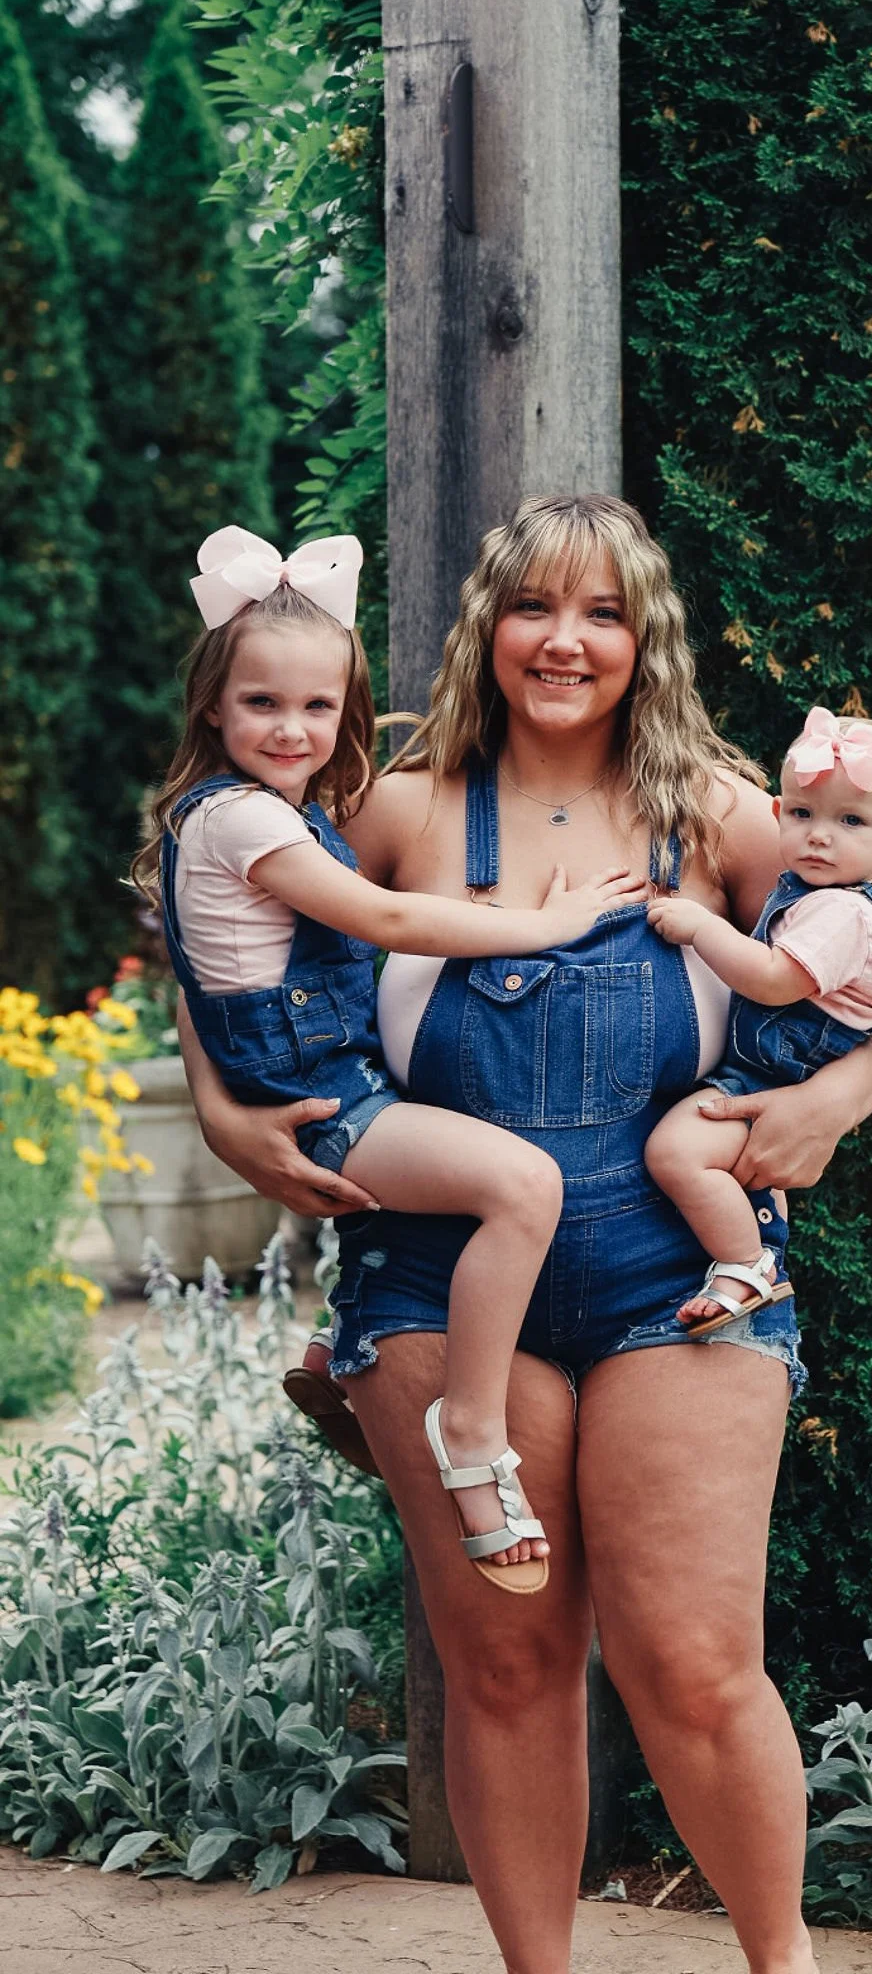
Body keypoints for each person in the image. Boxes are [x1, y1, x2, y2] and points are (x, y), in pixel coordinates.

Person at [178, 495, 872, 1974]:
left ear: (644, 640)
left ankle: (783, 1968)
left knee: (695, 1667)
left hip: (681, 1274)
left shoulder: (723, 810)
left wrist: (845, 1092)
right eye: (533, 608)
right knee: (506, 1667)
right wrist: (215, 1107)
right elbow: (219, 938)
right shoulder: (395, 804)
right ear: (486, 628)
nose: (564, 642)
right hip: (438, 1275)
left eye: (602, 613)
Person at [134, 526, 645, 1591]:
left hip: (332, 1075)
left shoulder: (271, 814)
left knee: (461, 1126)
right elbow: (383, 915)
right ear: (213, 709)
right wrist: (544, 928)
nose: (291, 727)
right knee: (522, 1184)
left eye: (317, 706)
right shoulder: (239, 822)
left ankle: (341, 1352)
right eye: (262, 704)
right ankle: (469, 1425)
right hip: (322, 1095)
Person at [645, 705, 872, 1333]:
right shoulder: (849, 893)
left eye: (851, 820)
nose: (819, 835)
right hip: (782, 1068)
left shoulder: (842, 914)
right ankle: (757, 1230)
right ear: (776, 814)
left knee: (676, 1152)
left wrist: (701, 927)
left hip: (777, 1075)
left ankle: (745, 1265)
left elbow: (773, 982)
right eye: (802, 814)